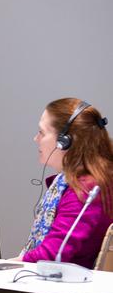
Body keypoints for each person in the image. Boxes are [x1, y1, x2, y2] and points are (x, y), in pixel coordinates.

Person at [19, 98, 112, 268]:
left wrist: (8, 265)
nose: (36, 139)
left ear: (65, 141)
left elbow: (53, 254)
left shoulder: (86, 189)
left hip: (65, 289)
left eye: (42, 132)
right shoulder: (78, 183)